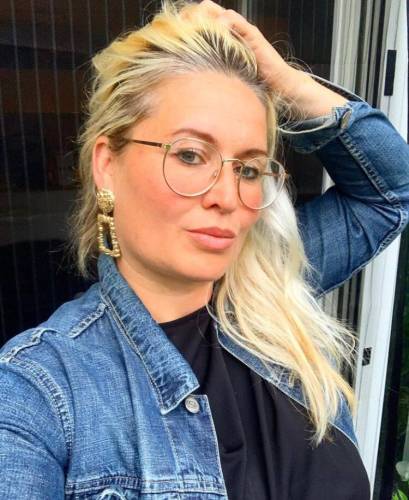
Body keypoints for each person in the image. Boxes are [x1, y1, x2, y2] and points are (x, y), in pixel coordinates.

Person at [0, 0, 408, 498]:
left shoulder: (268, 295)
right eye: (191, 155)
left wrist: (285, 84)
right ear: (107, 164)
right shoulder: (38, 392)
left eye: (249, 168)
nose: (227, 196)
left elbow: (390, 193)